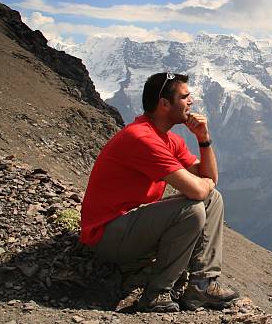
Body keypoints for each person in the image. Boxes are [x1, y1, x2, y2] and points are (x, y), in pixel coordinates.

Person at [80, 72, 239, 313]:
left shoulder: (168, 139)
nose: (191, 102)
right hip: (108, 235)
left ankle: (202, 285)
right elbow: (198, 188)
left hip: (134, 226)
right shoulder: (142, 138)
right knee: (192, 209)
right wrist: (205, 184)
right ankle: (156, 295)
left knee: (212, 199)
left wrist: (204, 139)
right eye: (185, 97)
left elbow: (210, 180)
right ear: (164, 104)